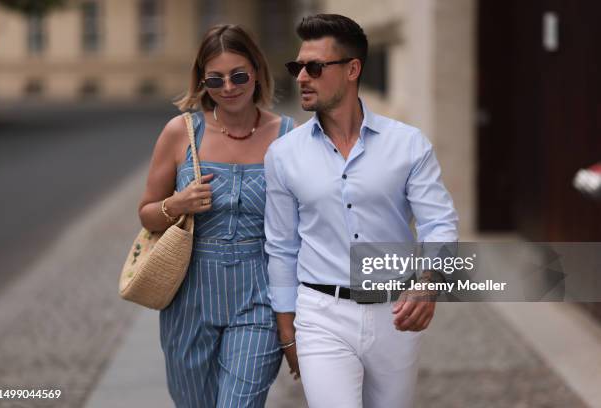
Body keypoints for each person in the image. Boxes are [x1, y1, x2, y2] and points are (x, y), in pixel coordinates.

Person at [264, 14, 458, 408]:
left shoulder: (408, 145)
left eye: (314, 67)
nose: (302, 77)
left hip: (395, 312)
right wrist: (288, 332)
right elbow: (281, 247)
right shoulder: (284, 155)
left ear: (352, 69)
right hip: (321, 314)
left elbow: (439, 222)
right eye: (297, 67)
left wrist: (429, 282)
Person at [138, 24, 295, 408]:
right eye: (216, 78)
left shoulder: (289, 137)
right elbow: (147, 214)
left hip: (259, 295)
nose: (229, 87)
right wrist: (177, 205)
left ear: (257, 72)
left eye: (239, 75)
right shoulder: (180, 132)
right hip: (189, 298)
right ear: (202, 80)